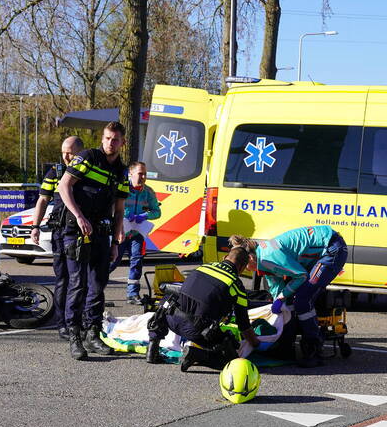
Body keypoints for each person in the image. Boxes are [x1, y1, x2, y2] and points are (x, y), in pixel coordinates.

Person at [56, 122, 129, 360]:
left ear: (122, 142)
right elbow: (64, 185)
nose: (110, 143)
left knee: (97, 286)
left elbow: (119, 208)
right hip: (76, 230)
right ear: (102, 138)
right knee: (78, 284)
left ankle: (93, 333)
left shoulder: (121, 170)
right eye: (107, 138)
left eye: (115, 139)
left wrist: (117, 240)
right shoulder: (88, 157)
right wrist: (78, 216)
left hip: (101, 233)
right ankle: (74, 335)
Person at [231, 225, 348, 367]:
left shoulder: (268, 257)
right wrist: (278, 301)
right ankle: (298, 342)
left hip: (332, 249)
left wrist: (281, 297)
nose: (244, 269)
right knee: (293, 300)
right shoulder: (262, 254)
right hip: (323, 247)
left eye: (243, 264)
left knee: (303, 299)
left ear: (250, 258)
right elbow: (276, 286)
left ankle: (314, 350)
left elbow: (301, 276)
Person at [146, 247, 260, 372]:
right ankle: (198, 355)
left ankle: (152, 350)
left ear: (225, 257)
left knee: (167, 302)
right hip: (197, 331)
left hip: (171, 320)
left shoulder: (202, 267)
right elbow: (243, 325)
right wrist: (256, 344)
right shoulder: (236, 285)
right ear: (242, 267)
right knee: (232, 362)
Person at [28, 136, 83, 339]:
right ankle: (62, 324)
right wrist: (35, 226)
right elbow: (43, 199)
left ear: (80, 152)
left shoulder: (88, 171)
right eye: (63, 152)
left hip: (83, 232)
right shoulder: (56, 172)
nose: (66, 156)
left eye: (70, 152)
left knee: (81, 280)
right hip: (61, 232)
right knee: (63, 280)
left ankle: (78, 320)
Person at [110, 161, 161, 305]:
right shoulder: (122, 188)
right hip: (120, 231)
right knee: (112, 261)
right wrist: (123, 222)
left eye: (145, 174)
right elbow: (113, 208)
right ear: (130, 174)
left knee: (137, 261)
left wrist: (144, 216)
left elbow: (157, 212)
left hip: (137, 234)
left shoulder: (148, 192)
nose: (143, 176)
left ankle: (132, 294)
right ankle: (94, 290)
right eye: (140, 173)